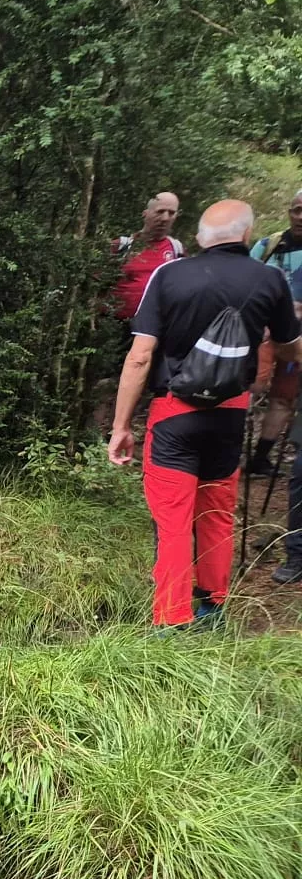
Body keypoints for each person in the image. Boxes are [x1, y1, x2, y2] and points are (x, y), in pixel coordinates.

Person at [108, 200, 302, 625]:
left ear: (198, 237)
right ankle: (213, 608)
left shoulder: (170, 274)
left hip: (174, 414)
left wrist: (121, 426)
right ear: (247, 236)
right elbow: (290, 349)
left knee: (173, 519)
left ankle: (171, 619)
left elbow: (140, 357)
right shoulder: (270, 279)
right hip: (231, 414)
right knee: (215, 512)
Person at [247, 189, 302, 581]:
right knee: (252, 389)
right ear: (289, 210)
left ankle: (261, 455)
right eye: (298, 209)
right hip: (265, 334)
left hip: (298, 343)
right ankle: (240, 451)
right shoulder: (269, 246)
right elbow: (247, 283)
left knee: (283, 400)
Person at [114, 193, 184, 322]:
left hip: (156, 327)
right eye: (160, 211)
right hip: (116, 327)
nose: (165, 218)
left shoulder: (177, 250)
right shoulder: (121, 246)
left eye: (171, 213)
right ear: (145, 213)